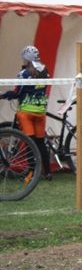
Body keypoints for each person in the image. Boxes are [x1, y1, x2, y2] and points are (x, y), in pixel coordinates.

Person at [0, 46, 52, 179]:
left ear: (26, 59)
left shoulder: (24, 73)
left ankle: (32, 172)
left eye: (23, 58)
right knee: (40, 143)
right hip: (40, 112)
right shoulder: (45, 71)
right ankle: (48, 172)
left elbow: (17, 92)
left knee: (29, 143)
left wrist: (4, 95)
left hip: (26, 112)